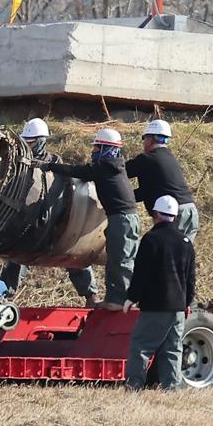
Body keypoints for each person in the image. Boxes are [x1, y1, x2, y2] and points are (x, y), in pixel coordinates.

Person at [0, 117, 99, 306]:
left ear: (40, 141)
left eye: (30, 142)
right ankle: (4, 296)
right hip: (30, 223)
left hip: (54, 220)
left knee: (73, 255)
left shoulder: (55, 163)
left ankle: (91, 296)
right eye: (26, 142)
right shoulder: (20, 164)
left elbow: (68, 190)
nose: (27, 146)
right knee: (17, 257)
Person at [40, 126, 141, 310]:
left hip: (122, 219)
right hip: (122, 218)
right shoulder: (115, 166)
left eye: (96, 148)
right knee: (118, 258)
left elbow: (80, 171)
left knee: (121, 260)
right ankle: (116, 298)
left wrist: (51, 166)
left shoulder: (105, 167)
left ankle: (120, 301)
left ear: (106, 149)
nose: (93, 151)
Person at [123, 194, 196, 391]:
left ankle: (133, 386)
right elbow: (190, 278)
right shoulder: (186, 242)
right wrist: (187, 302)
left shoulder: (151, 239)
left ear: (155, 214)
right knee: (172, 349)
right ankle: (171, 388)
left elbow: (141, 273)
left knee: (141, 346)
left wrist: (132, 297)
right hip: (178, 307)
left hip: (155, 305)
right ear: (175, 216)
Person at [125, 119, 199, 241]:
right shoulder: (169, 158)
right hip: (190, 211)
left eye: (145, 139)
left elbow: (120, 172)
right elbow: (146, 191)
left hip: (173, 213)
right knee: (181, 255)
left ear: (149, 139)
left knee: (167, 254)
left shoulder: (147, 159)